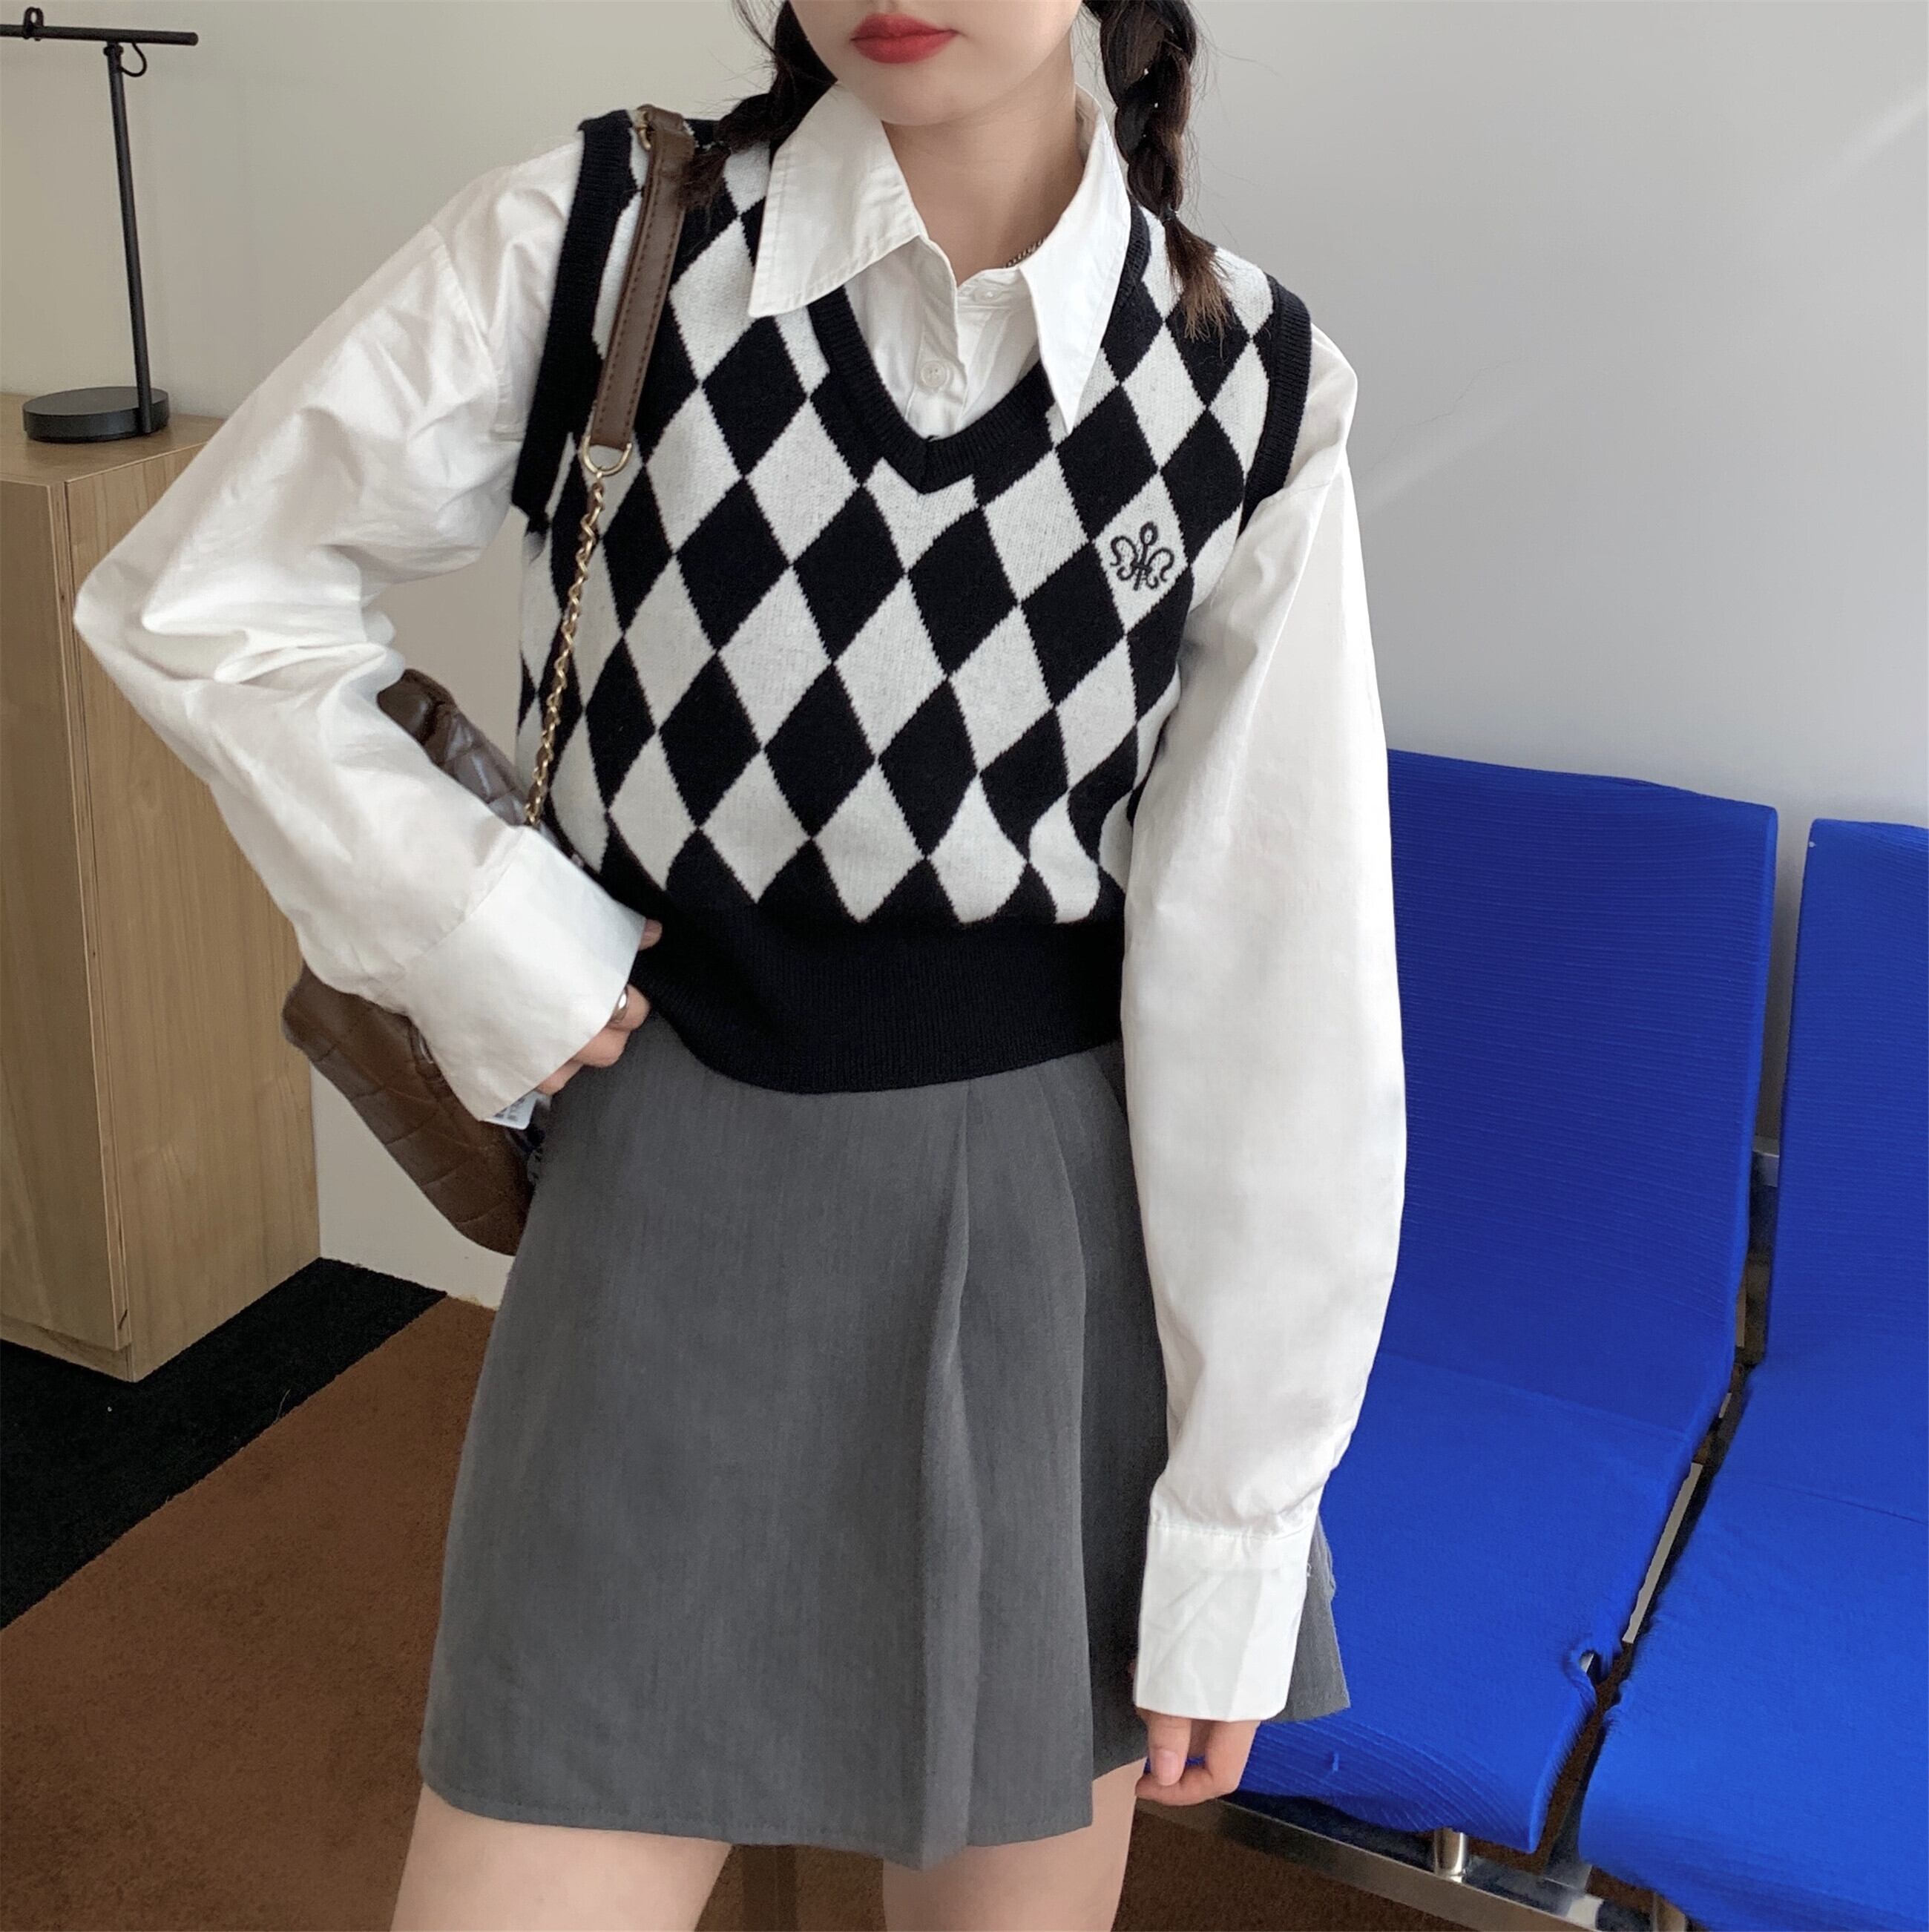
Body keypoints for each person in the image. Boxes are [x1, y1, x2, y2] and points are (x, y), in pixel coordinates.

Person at [71, 0, 1407, 1925]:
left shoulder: (1249, 385)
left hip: (1049, 1268)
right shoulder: (609, 239)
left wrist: (1238, 1523)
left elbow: (1276, 979)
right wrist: (486, 924)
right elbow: (198, 600)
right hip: (665, 1204)